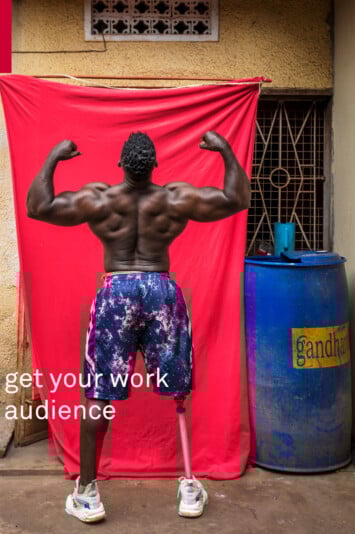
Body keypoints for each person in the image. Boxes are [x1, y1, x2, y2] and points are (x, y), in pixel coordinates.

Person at [26, 130, 250, 523]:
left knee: (98, 395)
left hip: (117, 291)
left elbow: (38, 206)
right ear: (155, 166)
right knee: (177, 390)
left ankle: (87, 493)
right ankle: (189, 485)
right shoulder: (173, 198)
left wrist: (55, 156)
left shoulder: (101, 199)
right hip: (162, 290)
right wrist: (224, 150)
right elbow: (236, 198)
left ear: (120, 166)